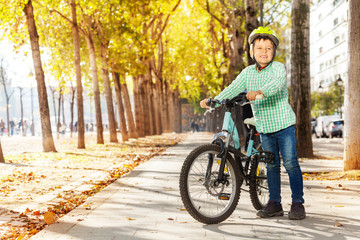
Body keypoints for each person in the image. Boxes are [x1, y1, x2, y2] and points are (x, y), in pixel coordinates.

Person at [200, 26, 305, 220]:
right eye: (259, 48)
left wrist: (259, 92)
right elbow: (233, 88)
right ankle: (275, 203)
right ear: (252, 52)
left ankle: (298, 203)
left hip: (284, 125)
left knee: (290, 163)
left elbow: (277, 84)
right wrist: (214, 100)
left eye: (268, 48)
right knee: (271, 165)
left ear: (273, 52)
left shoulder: (278, 68)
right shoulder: (248, 73)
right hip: (265, 127)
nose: (264, 52)